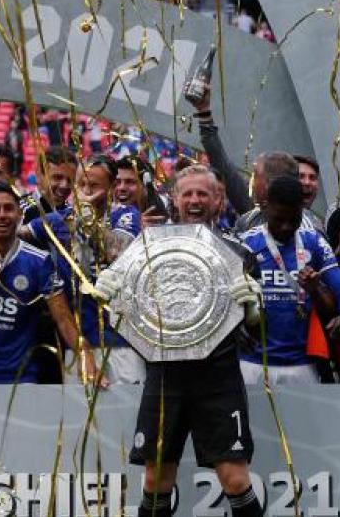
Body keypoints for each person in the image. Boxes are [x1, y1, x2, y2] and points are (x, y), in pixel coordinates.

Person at [94, 165, 265, 517]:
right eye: (187, 193)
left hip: (218, 376)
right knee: (156, 479)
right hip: (164, 376)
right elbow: (129, 318)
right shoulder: (145, 251)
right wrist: (110, 299)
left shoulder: (240, 253)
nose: (195, 200)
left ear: (218, 200)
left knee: (234, 479)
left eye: (203, 193)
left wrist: (254, 311)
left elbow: (260, 333)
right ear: (174, 198)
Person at [0, 183, 100, 385]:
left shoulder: (39, 261)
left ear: (19, 214)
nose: (2, 215)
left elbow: (63, 319)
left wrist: (84, 353)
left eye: (8, 208)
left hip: (21, 375)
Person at [26, 156, 144, 384]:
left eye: (93, 186)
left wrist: (87, 218)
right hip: (79, 344)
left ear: (111, 187)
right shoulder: (57, 220)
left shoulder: (126, 215)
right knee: (81, 406)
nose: (85, 192)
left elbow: (117, 252)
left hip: (123, 342)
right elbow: (9, 235)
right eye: (80, 185)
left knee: (128, 404)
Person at [238, 177, 340, 385]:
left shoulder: (314, 242)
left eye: (294, 220)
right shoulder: (246, 243)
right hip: (254, 362)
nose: (286, 227)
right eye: (278, 219)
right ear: (265, 208)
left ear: (302, 211)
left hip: (302, 363)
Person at [191, 87, 317, 233]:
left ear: (269, 185)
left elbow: (225, 169)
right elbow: (224, 168)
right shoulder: (250, 219)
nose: (250, 183)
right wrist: (204, 113)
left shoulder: (311, 231)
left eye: (256, 176)